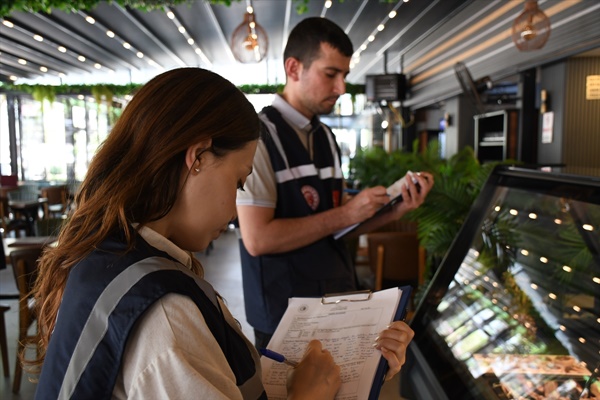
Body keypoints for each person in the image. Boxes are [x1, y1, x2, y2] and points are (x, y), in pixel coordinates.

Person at [29, 67, 414, 399]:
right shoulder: (164, 314)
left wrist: (353, 370)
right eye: (238, 181)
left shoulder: (107, 256)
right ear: (197, 158)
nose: (234, 210)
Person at [236, 17, 434, 349]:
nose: (341, 88)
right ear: (294, 68)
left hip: (335, 303)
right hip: (285, 316)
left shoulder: (326, 137)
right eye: (331, 75)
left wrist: (394, 211)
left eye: (344, 76)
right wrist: (346, 213)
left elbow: (334, 231)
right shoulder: (258, 137)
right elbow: (257, 239)